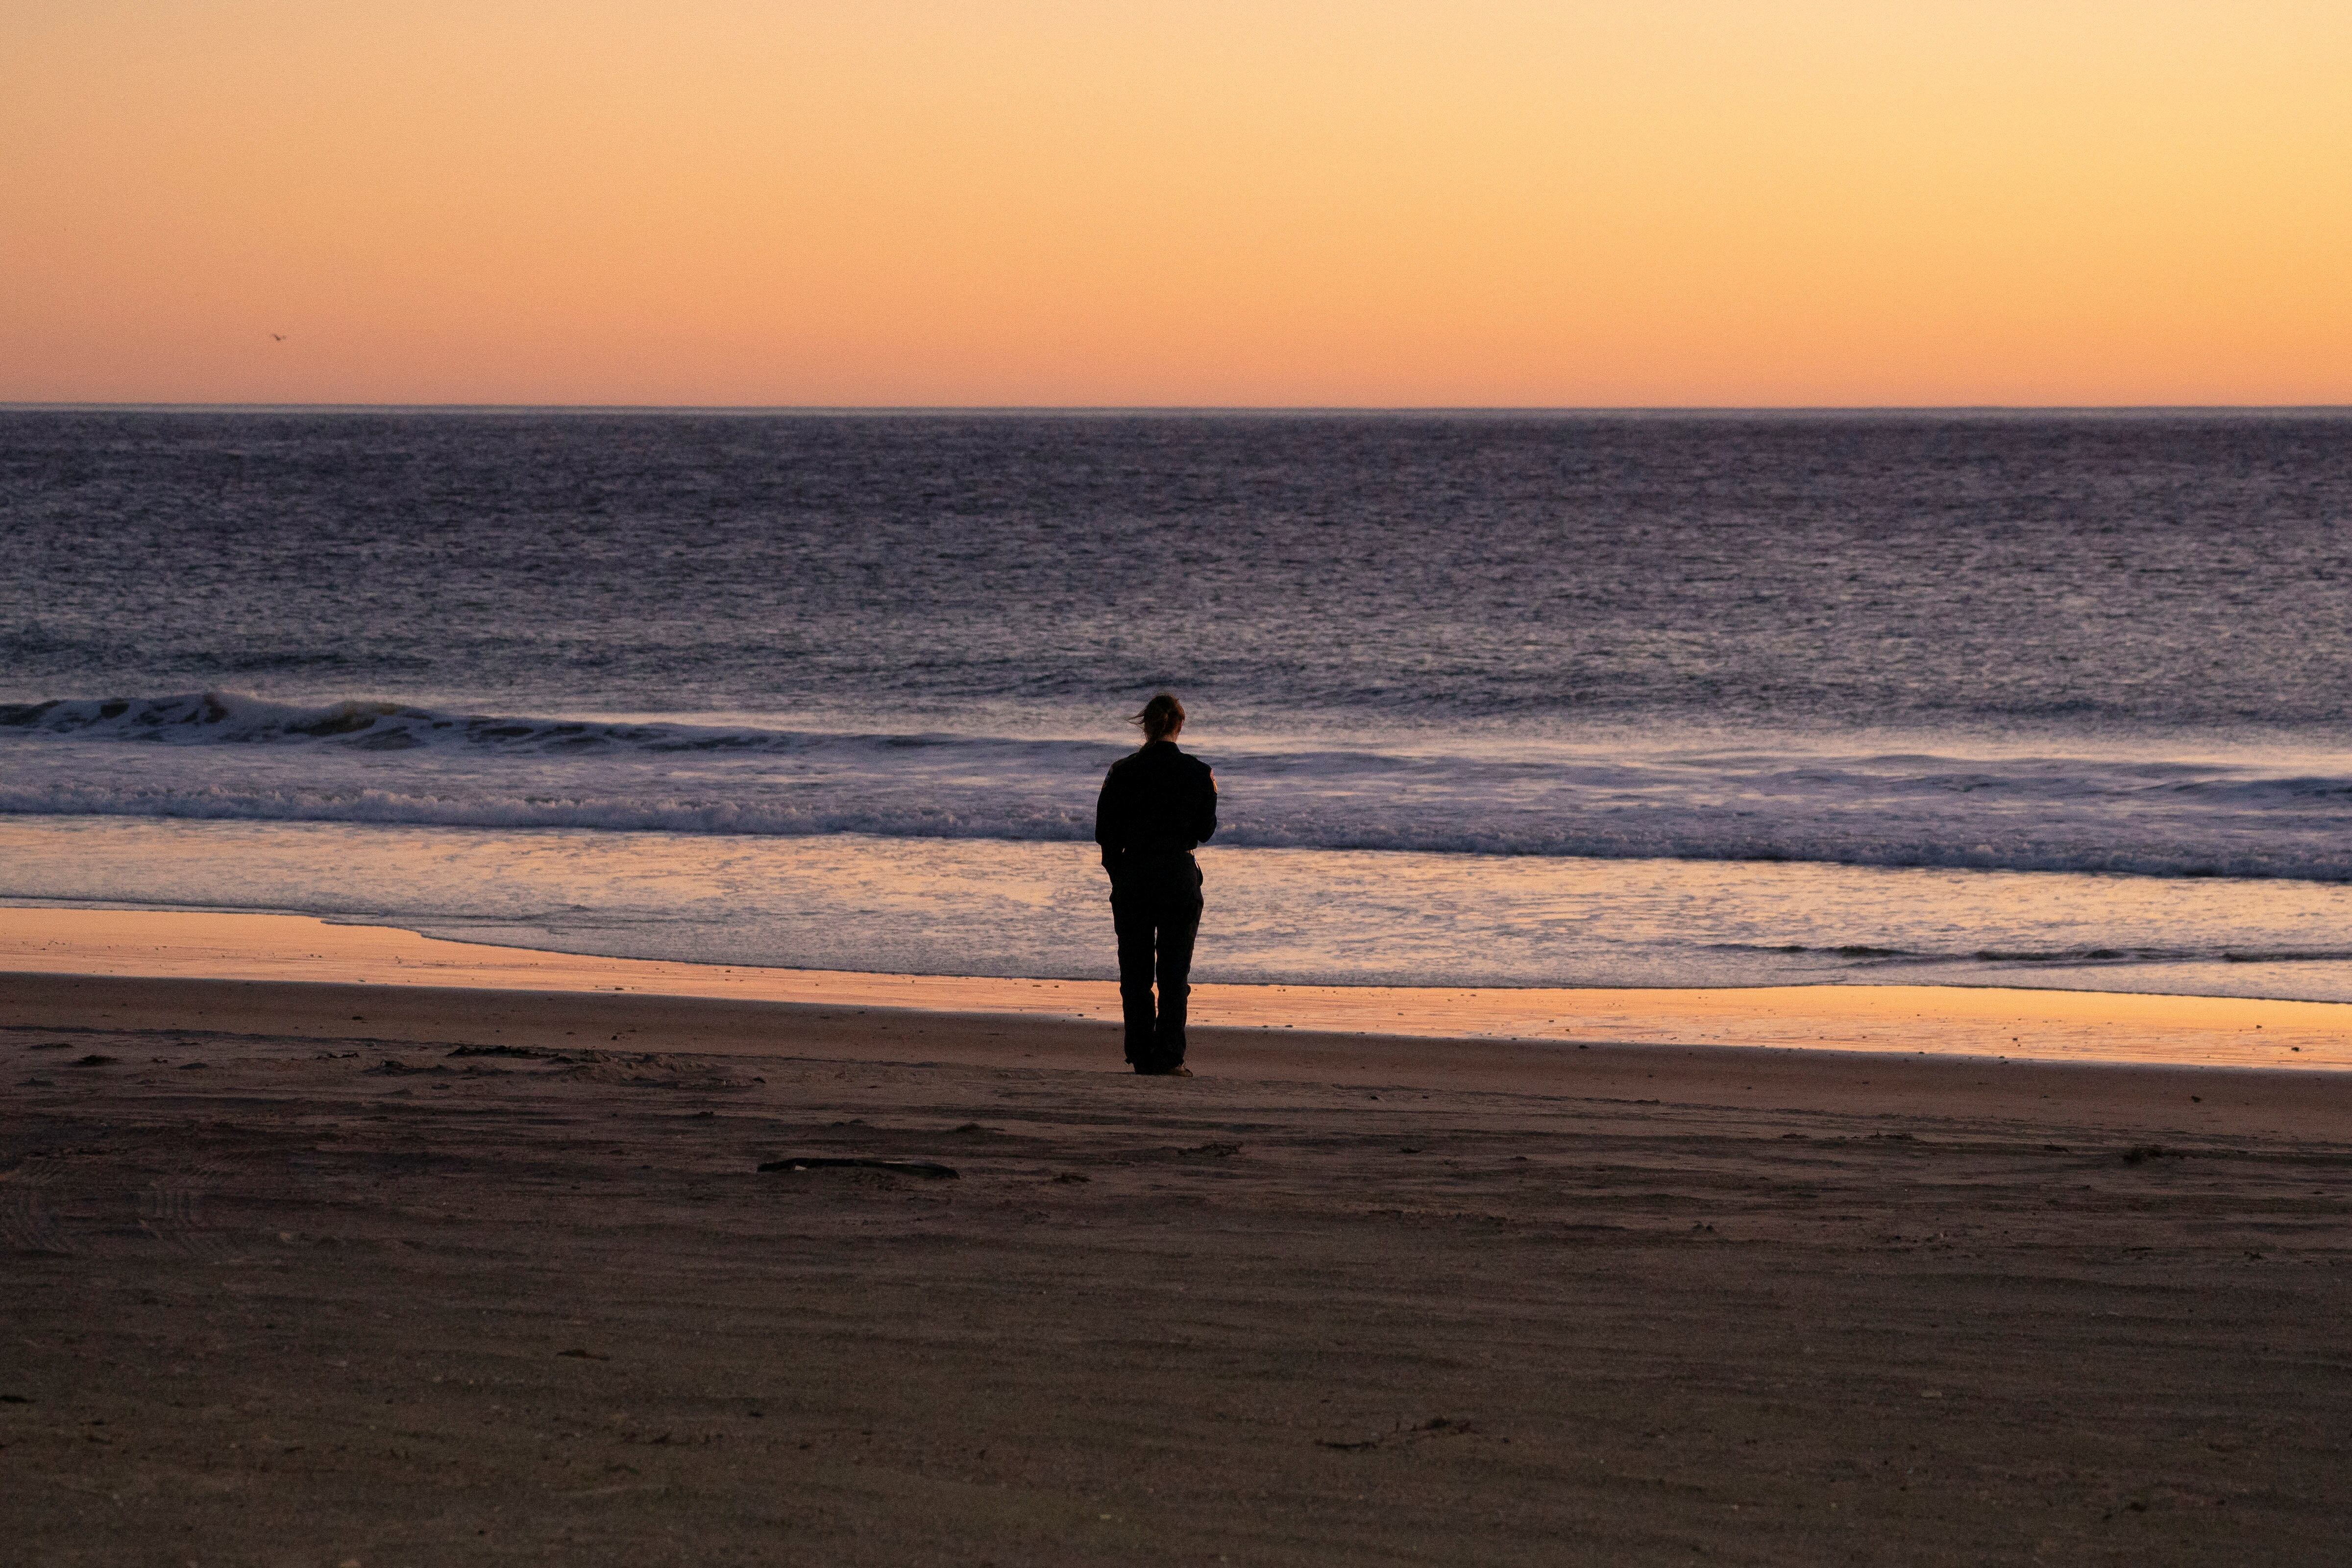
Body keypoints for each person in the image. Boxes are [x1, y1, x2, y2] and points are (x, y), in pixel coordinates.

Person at [1094, 692, 1217, 1075]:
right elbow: (1205, 831)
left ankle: (1141, 1055)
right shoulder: (1199, 772)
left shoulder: (1122, 771)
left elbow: (1105, 833)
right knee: (1174, 975)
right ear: (1180, 726)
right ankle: (1169, 1056)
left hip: (1134, 872)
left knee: (1135, 973)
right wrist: (1211, 793)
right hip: (1178, 874)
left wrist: (1118, 874)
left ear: (1145, 726)